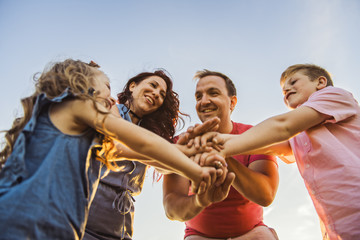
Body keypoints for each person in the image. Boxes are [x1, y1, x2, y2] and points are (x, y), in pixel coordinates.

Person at [0, 59, 222, 239]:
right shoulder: (92, 111)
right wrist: (192, 167)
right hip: (45, 220)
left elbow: (149, 153)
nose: (111, 95)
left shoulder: (99, 125)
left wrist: (183, 155)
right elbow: (135, 146)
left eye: (162, 94)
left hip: (96, 225)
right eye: (107, 87)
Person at [198, 64, 360, 239]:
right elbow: (267, 144)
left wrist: (219, 146)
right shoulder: (301, 131)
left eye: (293, 81)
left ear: (321, 82)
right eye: (283, 90)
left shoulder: (334, 96)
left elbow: (282, 126)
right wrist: (208, 143)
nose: (287, 90)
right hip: (337, 226)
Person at [84, 70, 222, 240]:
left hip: (120, 225)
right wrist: (177, 152)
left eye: (162, 94)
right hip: (86, 215)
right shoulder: (109, 108)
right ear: (133, 86)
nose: (156, 94)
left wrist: (187, 153)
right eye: (153, 85)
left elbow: (161, 165)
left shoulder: (149, 134)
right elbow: (116, 147)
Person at [163, 70, 279, 239]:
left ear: (232, 102)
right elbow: (172, 209)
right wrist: (199, 201)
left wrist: (221, 153)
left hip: (252, 232)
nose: (204, 101)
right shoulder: (182, 143)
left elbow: (265, 195)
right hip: (199, 235)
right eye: (198, 96)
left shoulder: (254, 135)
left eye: (213, 93)